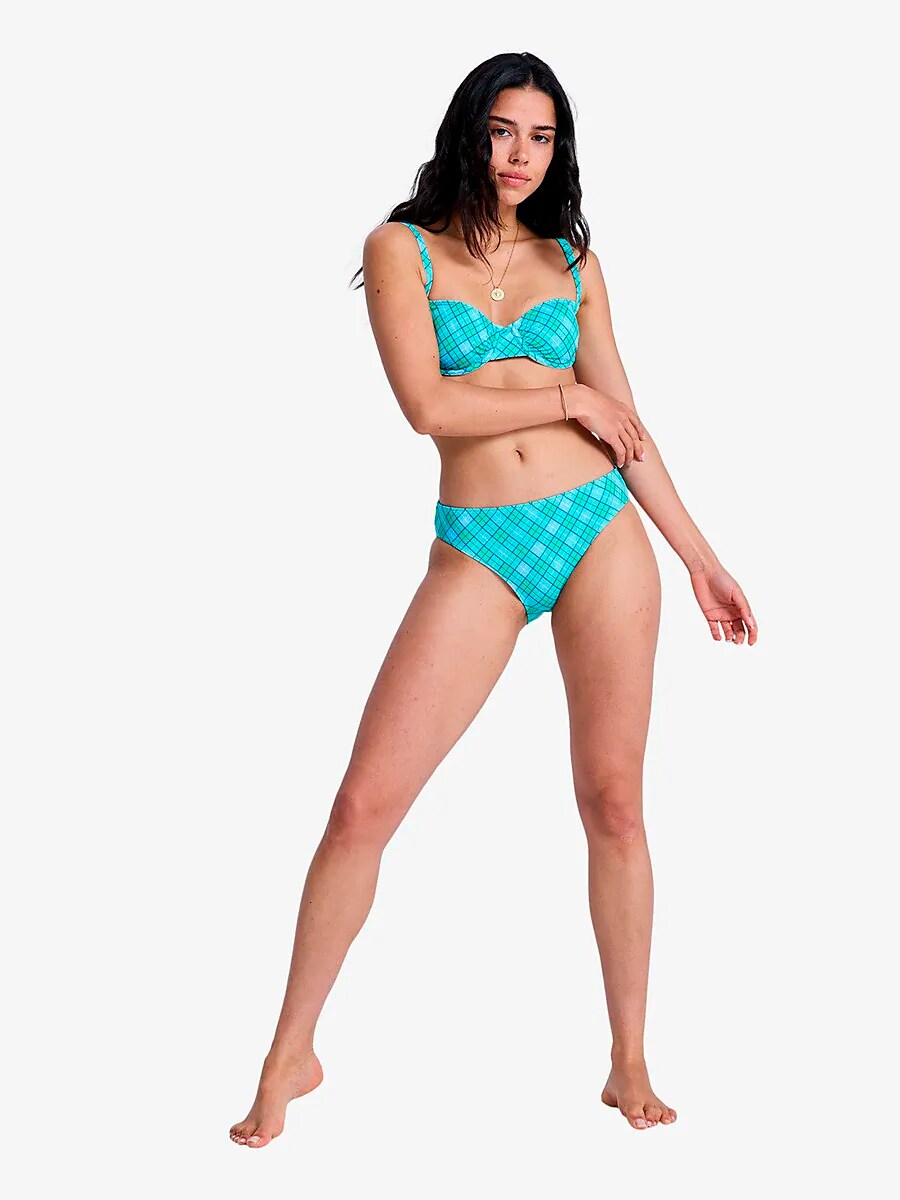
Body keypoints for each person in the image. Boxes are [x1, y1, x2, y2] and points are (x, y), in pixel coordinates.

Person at [230, 50, 757, 1149]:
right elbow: (428, 406)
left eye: (543, 136)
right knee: (362, 806)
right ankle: (291, 1052)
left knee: (614, 805)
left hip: (599, 529)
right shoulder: (402, 249)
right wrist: (562, 394)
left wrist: (700, 556)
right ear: (469, 131)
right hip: (482, 544)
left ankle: (628, 1059)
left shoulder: (572, 259)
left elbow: (625, 422)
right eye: (504, 131)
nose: (521, 155)